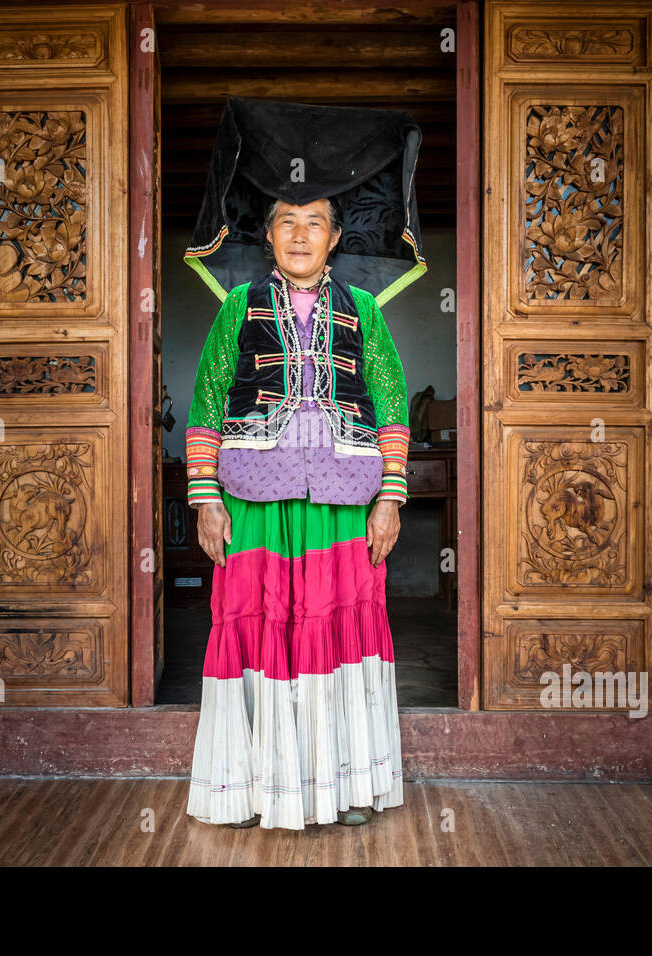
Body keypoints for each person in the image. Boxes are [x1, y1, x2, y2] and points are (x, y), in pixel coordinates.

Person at [184, 194, 411, 830]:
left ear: (335, 238)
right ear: (270, 236)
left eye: (315, 223)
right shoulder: (238, 308)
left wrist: (390, 498)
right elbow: (205, 408)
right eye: (288, 222)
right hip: (254, 499)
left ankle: (339, 787)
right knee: (258, 624)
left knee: (334, 626)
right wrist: (205, 501)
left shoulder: (364, 312)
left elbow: (393, 413)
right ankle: (256, 789)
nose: (301, 234)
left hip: (342, 503)